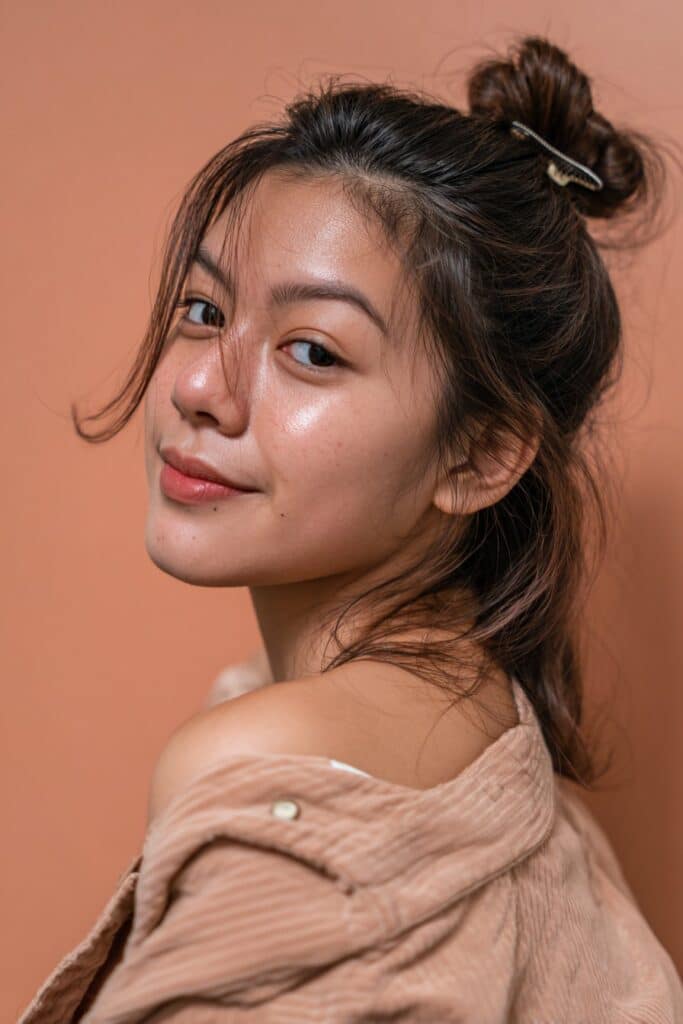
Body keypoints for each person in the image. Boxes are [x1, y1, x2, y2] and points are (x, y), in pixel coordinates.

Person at [18, 32, 683, 1024]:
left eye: (313, 352)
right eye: (203, 309)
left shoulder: (274, 777)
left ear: (479, 453)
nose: (201, 387)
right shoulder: (484, 727)